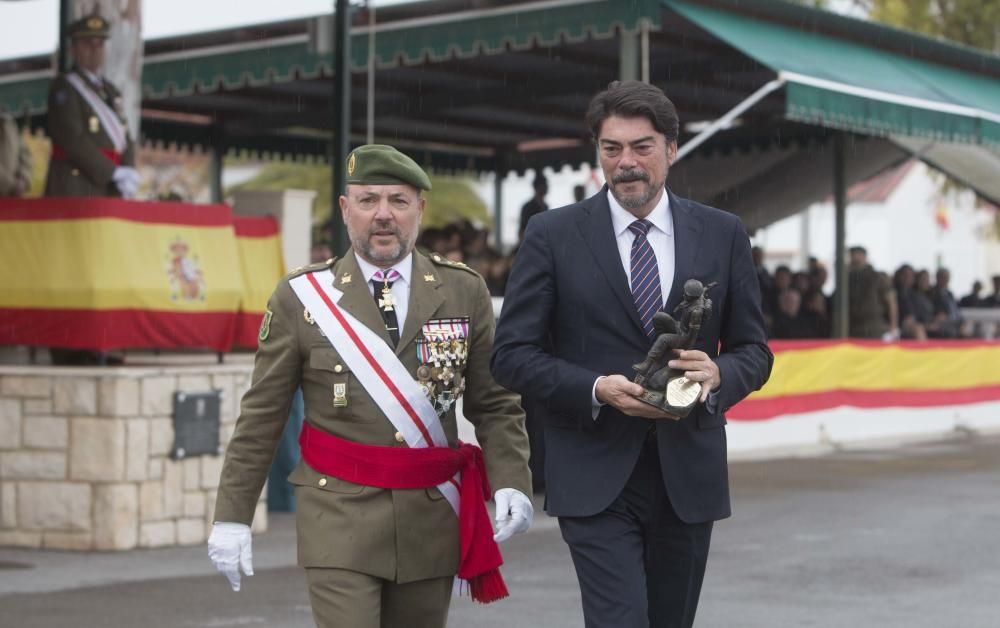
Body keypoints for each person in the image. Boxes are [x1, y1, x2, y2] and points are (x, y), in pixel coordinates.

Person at [208, 144, 533, 628]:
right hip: (339, 517)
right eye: (368, 200)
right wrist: (232, 514)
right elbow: (263, 415)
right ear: (346, 210)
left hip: (430, 517)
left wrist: (512, 480)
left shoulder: (462, 289)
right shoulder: (302, 298)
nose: (383, 215)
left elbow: (495, 402)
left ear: (419, 210)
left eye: (398, 201)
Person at [491, 80, 772, 628]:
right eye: (611, 148)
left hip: (687, 476)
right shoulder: (553, 234)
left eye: (641, 147)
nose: (626, 163)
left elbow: (754, 351)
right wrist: (595, 389)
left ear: (671, 149)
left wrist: (719, 374)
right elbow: (512, 355)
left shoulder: (722, 234)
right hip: (592, 475)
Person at [43, 14, 138, 199]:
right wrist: (111, 172)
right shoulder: (64, 87)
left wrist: (127, 170)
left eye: (100, 44)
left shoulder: (111, 91)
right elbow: (72, 139)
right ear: (73, 49)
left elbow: (125, 135)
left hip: (109, 188)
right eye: (88, 44)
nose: (94, 50)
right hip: (76, 186)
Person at [847, 246, 899, 340]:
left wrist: (893, 328)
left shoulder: (878, 277)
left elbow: (891, 303)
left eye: (857, 255)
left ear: (864, 257)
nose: (854, 258)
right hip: (854, 329)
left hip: (874, 328)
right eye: (852, 256)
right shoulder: (848, 279)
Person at [0, 111, 32, 197]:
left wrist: (24, 178)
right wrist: (11, 184)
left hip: (13, 195)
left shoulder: (8, 122)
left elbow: (24, 154)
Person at [517, 172, 548, 241]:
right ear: (536, 187)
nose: (546, 187)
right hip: (532, 242)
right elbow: (522, 230)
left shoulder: (545, 206)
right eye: (544, 184)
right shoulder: (528, 207)